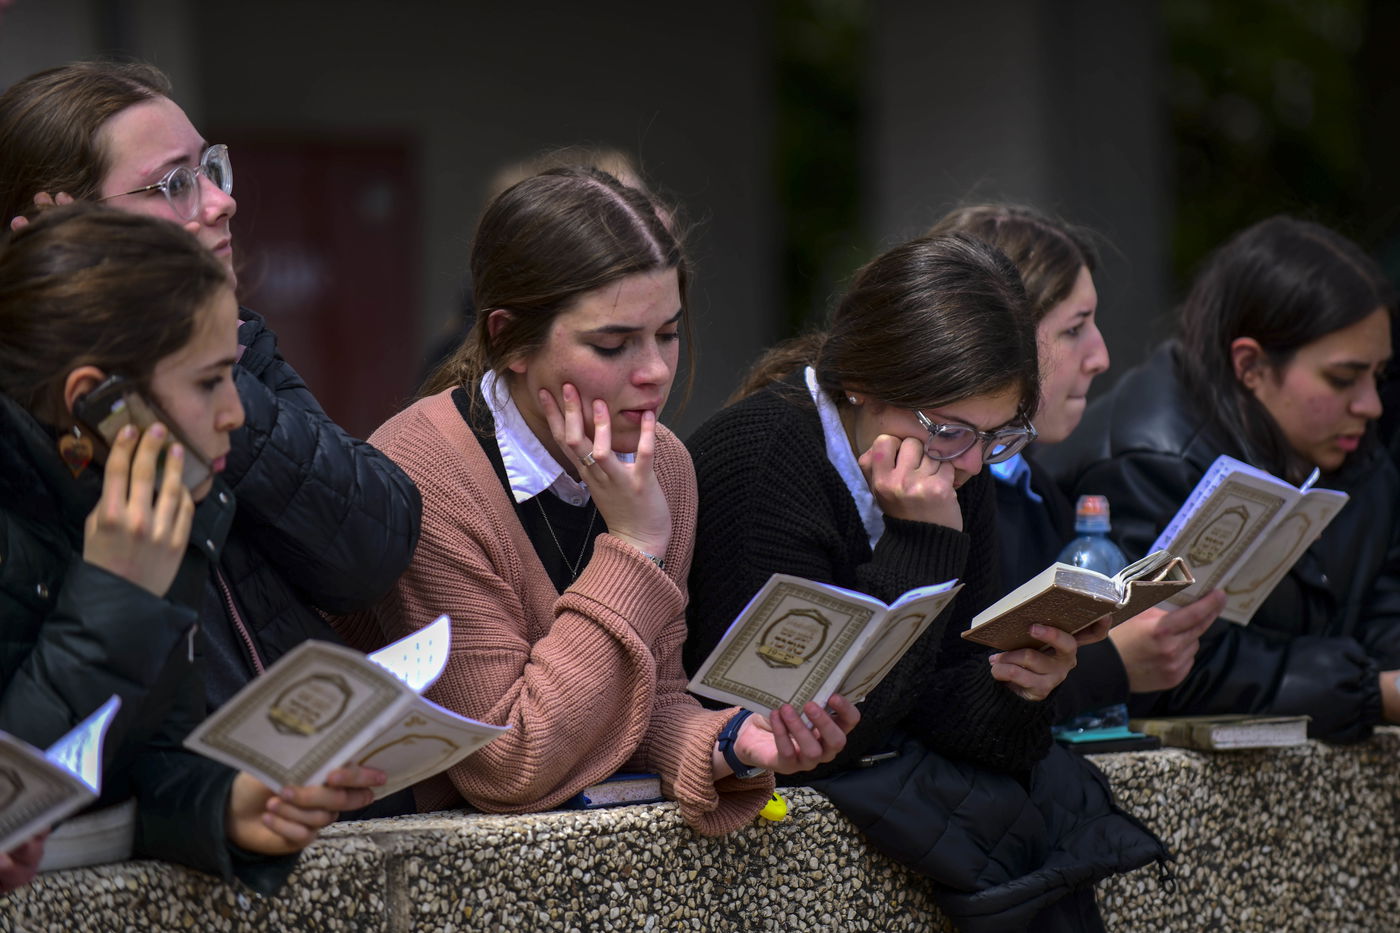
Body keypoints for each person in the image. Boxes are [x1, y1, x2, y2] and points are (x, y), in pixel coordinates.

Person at [333, 167, 857, 831]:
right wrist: (634, 546)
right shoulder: (424, 471)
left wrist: (731, 745)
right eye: (613, 344)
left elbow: (648, 697)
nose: (655, 370)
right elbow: (508, 762)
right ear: (506, 338)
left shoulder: (662, 460)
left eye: (667, 333)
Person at [684, 233, 1164, 932]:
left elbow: (951, 707)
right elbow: (808, 736)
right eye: (949, 430)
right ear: (859, 382)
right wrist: (926, 543)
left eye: (999, 434)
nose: (972, 462)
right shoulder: (761, 462)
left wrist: (1024, 683)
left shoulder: (951, 463)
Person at [0, 61, 421, 721]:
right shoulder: (25, 420)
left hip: (296, 766)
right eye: (172, 184)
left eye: (209, 167)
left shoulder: (240, 342)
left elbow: (373, 553)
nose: (221, 201)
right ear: (63, 231)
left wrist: (202, 372)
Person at [0, 205, 384, 891]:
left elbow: (142, 764)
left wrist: (225, 802)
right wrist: (115, 591)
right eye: (209, 382)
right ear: (97, 399)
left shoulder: (157, 502)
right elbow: (17, 790)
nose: (237, 414)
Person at [1044, 215, 1400, 742]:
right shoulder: (1152, 460)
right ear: (1251, 365)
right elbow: (1175, 662)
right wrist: (1376, 691)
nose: (1370, 405)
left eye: (1379, 375)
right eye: (1343, 378)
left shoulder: (1356, 450)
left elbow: (1386, 600)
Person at [927, 204, 1226, 718]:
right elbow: (947, 698)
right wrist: (1111, 666)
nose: (1101, 356)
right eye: (1074, 329)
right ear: (996, 340)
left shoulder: (1036, 484)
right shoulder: (931, 489)